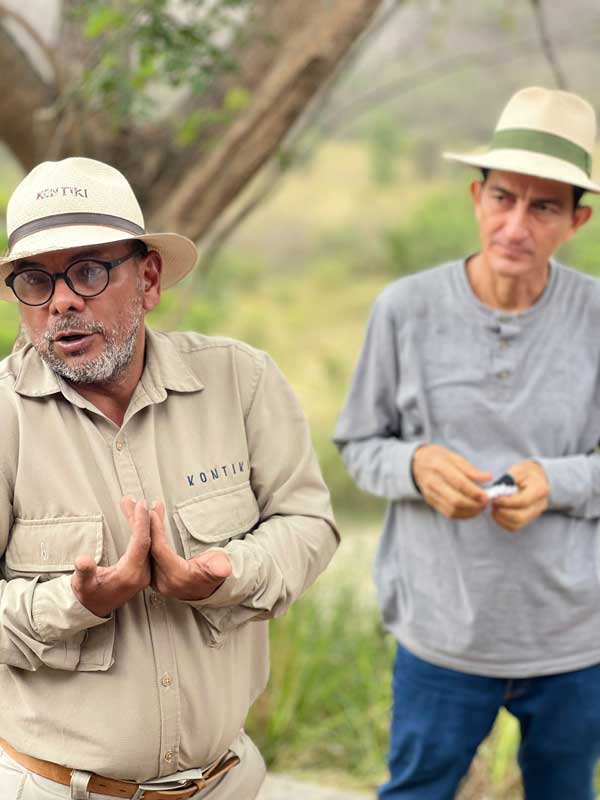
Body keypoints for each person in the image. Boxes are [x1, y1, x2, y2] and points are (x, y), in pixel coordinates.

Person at [0, 156, 338, 800]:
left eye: (89, 270)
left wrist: (224, 576)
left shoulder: (242, 381)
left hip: (227, 784)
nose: (63, 299)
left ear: (149, 278)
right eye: (35, 281)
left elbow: (309, 524)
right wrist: (75, 604)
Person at [334, 86, 600, 799]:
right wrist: (416, 465)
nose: (516, 224)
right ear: (476, 197)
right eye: (504, 198)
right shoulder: (405, 309)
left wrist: (558, 481)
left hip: (574, 636)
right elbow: (359, 442)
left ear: (577, 219)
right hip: (441, 630)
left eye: (544, 206)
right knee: (418, 789)